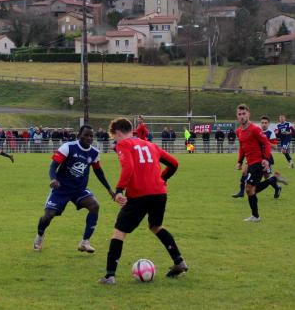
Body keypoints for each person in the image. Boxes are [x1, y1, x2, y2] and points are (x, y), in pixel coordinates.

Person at [99, 117, 187, 284]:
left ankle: (110, 275)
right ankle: (179, 261)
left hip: (139, 194)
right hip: (159, 193)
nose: (115, 141)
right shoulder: (150, 145)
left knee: (119, 232)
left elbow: (129, 167)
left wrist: (118, 190)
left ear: (117, 133)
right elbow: (174, 163)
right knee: (156, 226)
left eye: (114, 137)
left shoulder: (123, 144)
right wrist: (162, 179)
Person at [34, 126, 114, 253]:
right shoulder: (68, 147)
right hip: (61, 188)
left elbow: (98, 172)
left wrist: (109, 189)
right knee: (48, 216)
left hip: (79, 189)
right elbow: (53, 166)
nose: (89, 138)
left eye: (91, 136)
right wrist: (53, 179)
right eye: (86, 135)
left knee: (94, 206)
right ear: (79, 136)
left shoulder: (94, 153)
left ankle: (85, 242)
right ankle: (39, 236)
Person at [235, 105, 282, 222]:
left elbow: (266, 143)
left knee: (249, 189)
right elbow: (242, 147)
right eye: (239, 114)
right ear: (237, 116)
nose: (242, 116)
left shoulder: (255, 129)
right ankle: (272, 180)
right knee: (250, 190)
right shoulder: (239, 131)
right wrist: (240, 162)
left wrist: (266, 159)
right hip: (250, 163)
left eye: (244, 114)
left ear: (248, 114)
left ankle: (256, 216)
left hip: (258, 162)